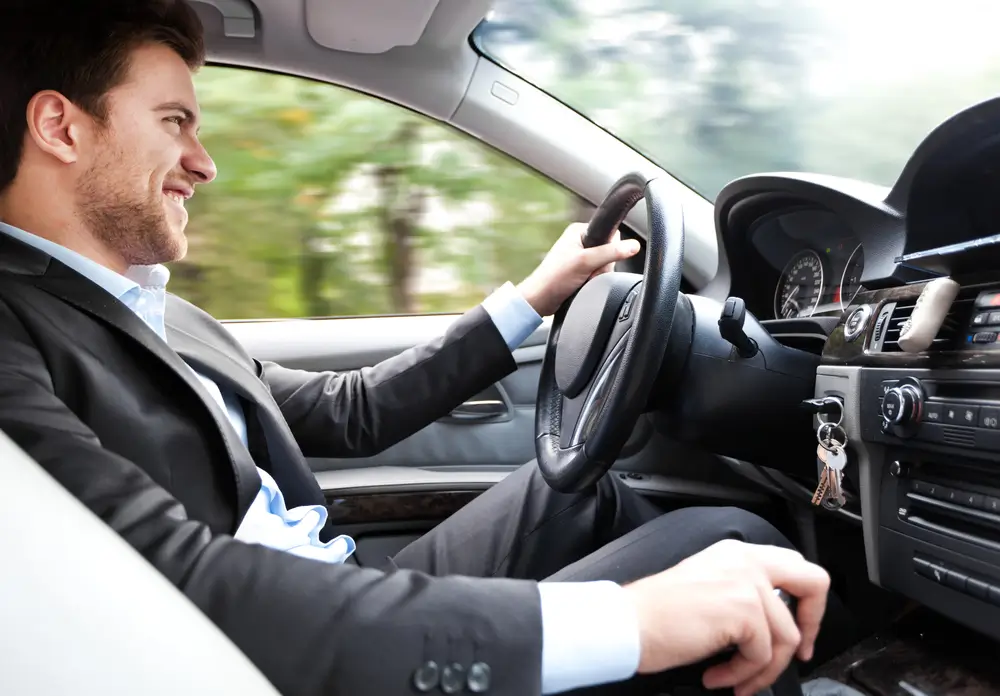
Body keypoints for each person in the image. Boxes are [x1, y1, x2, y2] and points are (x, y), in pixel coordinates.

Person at [0, 2, 832, 695]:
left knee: (583, 492)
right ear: (60, 127)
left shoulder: (159, 313)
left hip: (339, 580)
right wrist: (636, 623)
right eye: (174, 122)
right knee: (731, 543)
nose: (203, 162)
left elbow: (348, 412)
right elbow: (179, 582)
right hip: (285, 657)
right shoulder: (12, 334)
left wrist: (536, 297)